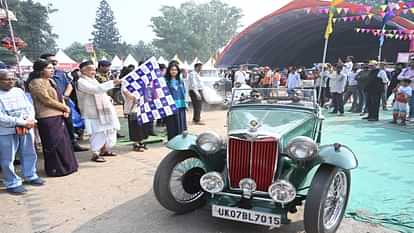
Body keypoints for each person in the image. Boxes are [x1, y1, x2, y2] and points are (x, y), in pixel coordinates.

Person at [28, 59, 78, 177]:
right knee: (53, 144)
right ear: (40, 70)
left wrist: (64, 108)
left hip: (59, 115)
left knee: (64, 143)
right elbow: (46, 100)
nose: (52, 70)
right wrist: (64, 108)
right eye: (49, 68)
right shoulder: (35, 82)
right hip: (46, 117)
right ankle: (56, 169)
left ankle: (68, 167)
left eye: (52, 68)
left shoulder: (51, 81)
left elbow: (59, 97)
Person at [0, 70, 44, 194]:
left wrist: (30, 119)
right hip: (6, 131)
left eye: (12, 79)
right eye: (6, 79)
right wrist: (21, 122)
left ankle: (30, 175)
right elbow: (1, 117)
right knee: (7, 158)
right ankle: (12, 182)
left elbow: (29, 106)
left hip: (26, 127)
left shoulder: (18, 91)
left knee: (29, 152)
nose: (10, 82)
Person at [40, 53, 88, 152]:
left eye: (55, 62)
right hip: (50, 105)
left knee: (69, 124)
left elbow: (69, 85)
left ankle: (73, 143)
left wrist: (65, 96)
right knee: (55, 127)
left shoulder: (61, 73)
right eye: (51, 63)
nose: (54, 65)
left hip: (64, 102)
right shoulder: (39, 77)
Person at [76, 61, 122, 162]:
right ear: (83, 71)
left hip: (104, 110)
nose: (93, 71)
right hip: (93, 112)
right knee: (97, 132)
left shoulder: (93, 80)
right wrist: (112, 83)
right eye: (90, 69)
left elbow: (101, 91)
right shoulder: (81, 81)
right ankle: (95, 153)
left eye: (94, 69)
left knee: (109, 129)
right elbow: (95, 90)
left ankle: (105, 149)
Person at [120, 65, 150, 152]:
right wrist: (135, 98)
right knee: (134, 126)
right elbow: (126, 94)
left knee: (141, 125)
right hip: (132, 108)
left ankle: (141, 141)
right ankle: (136, 143)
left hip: (140, 107)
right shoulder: (124, 83)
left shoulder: (136, 82)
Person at [165, 63, 187, 140]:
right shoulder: (166, 81)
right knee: (171, 123)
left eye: (175, 70)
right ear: (169, 71)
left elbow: (184, 92)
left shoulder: (181, 81)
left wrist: (186, 104)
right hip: (170, 106)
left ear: (178, 71)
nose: (174, 71)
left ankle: (181, 139)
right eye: (172, 70)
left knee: (181, 123)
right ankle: (172, 139)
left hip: (181, 105)